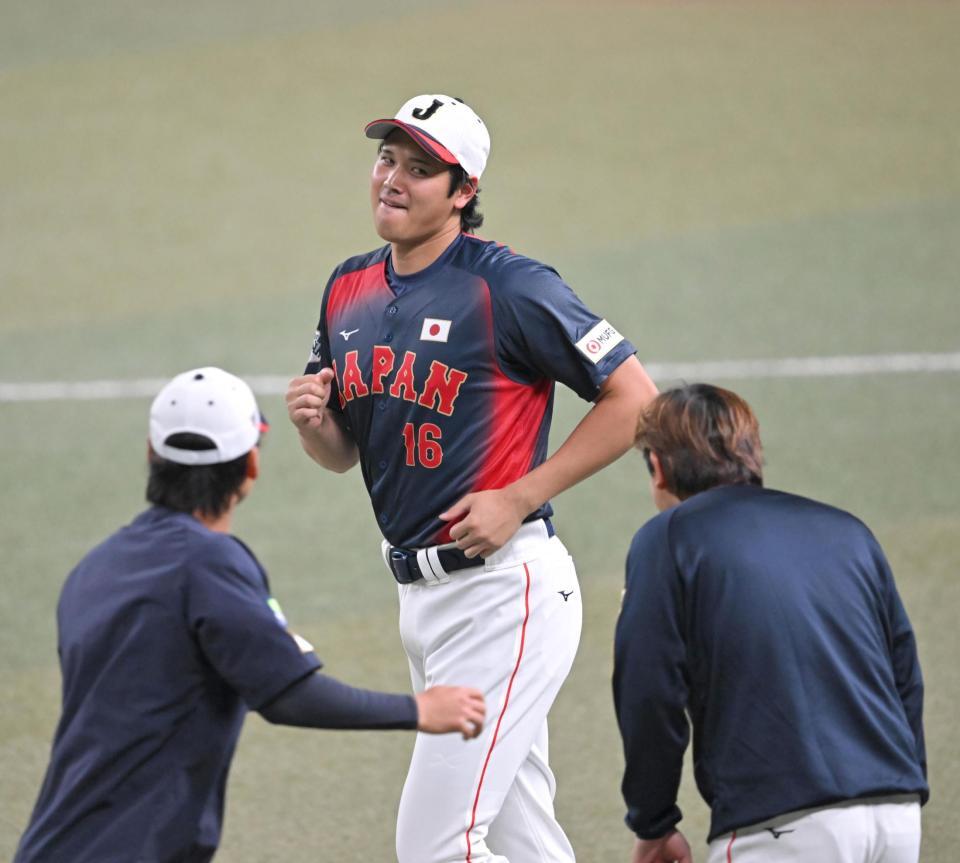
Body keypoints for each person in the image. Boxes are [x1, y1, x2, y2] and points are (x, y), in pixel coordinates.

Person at [285, 94, 659, 862]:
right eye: (388, 158)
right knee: (524, 841)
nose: (393, 178)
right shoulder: (347, 288)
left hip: (503, 593)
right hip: (420, 604)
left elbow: (636, 399)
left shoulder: (510, 287)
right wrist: (313, 422)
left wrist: (523, 493)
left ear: (463, 194)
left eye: (421, 169)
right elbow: (342, 453)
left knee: (436, 845)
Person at [15, 366, 485, 863]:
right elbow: (290, 696)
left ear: (154, 455)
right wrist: (422, 710)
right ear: (250, 468)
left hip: (53, 843)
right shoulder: (209, 564)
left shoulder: (97, 565)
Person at [613, 383, 928, 863]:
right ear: (751, 453)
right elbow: (903, 673)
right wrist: (902, 781)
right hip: (896, 811)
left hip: (780, 825)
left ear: (657, 465)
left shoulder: (668, 539)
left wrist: (653, 821)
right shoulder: (848, 531)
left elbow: (649, 689)